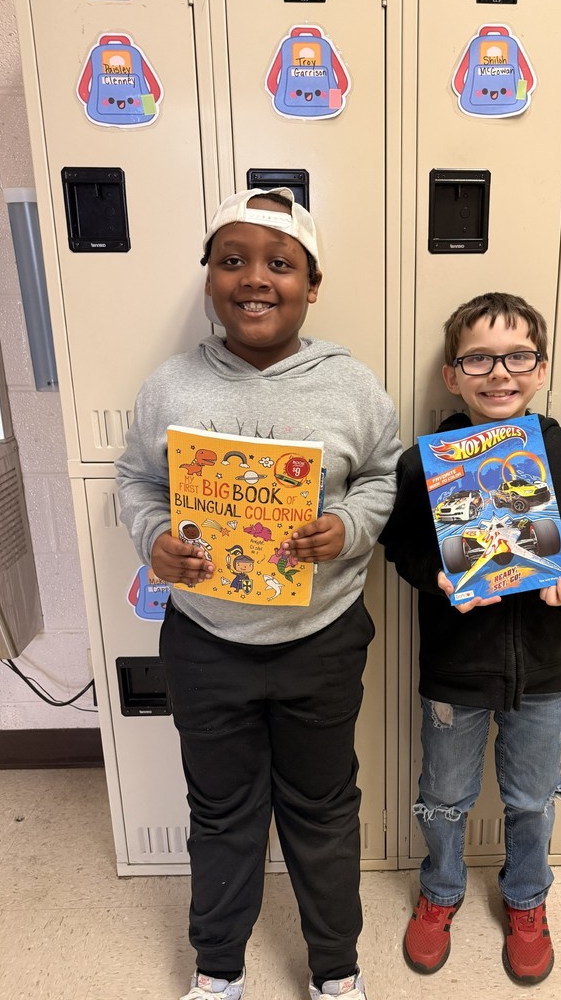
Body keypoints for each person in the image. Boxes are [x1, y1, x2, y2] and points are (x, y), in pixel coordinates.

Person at [115, 187, 401, 1000]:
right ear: (208, 280)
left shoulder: (350, 386)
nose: (255, 279)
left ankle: (336, 969)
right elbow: (135, 482)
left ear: (312, 286)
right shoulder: (170, 387)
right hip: (207, 641)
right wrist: (154, 539)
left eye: (280, 264)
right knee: (222, 809)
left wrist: (346, 526)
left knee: (322, 808)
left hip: (323, 637)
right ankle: (218, 967)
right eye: (232, 261)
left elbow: (384, 475)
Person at [380, 292, 561, 985]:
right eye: (479, 358)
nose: (500, 373)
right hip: (456, 669)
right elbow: (401, 548)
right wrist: (441, 578)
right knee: (445, 793)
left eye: (518, 356)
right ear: (452, 375)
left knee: (530, 797)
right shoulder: (424, 464)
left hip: (546, 669)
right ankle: (442, 890)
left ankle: (527, 900)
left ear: (541, 368)